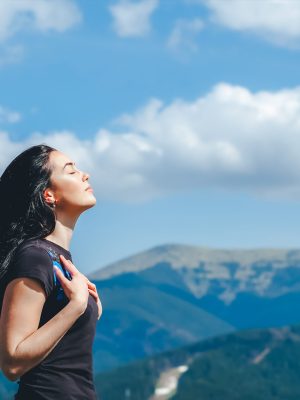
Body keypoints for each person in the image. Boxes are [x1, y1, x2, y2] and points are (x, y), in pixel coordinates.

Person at [0, 144, 102, 399]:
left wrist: (90, 310)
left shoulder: (56, 258)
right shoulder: (34, 256)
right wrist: (76, 306)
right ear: (49, 195)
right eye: (70, 171)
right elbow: (12, 362)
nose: (84, 174)